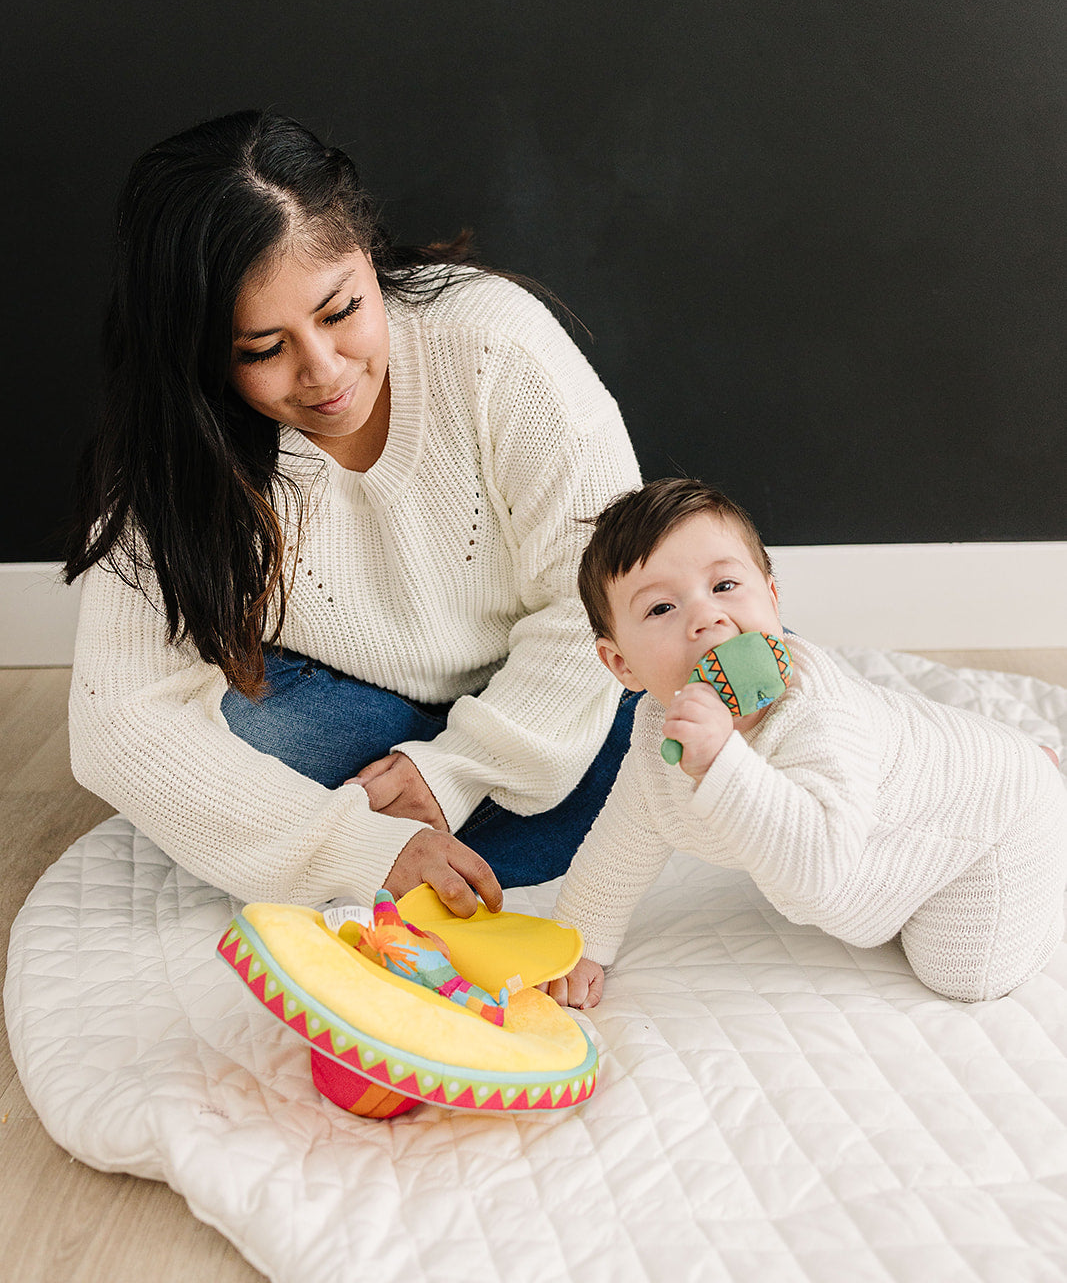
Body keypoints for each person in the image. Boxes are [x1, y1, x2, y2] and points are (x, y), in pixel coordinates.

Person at [65, 111, 641, 916]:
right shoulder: (174, 451)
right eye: (262, 350)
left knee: (702, 677)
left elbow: (604, 600)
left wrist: (456, 772)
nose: (325, 371)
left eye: (340, 312)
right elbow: (120, 722)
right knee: (242, 736)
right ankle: (526, 839)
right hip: (350, 712)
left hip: (531, 685)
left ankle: (472, 834)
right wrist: (366, 845)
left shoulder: (492, 346)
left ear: (368, 258)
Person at [549, 478, 1067, 1007]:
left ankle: (1044, 783)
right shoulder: (661, 730)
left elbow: (819, 870)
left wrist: (720, 763)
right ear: (622, 664)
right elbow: (625, 838)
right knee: (885, 910)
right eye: (662, 608)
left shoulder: (816, 714)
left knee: (959, 972)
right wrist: (581, 943)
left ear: (772, 599)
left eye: (724, 586)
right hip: (900, 830)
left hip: (1000, 817)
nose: (707, 617)